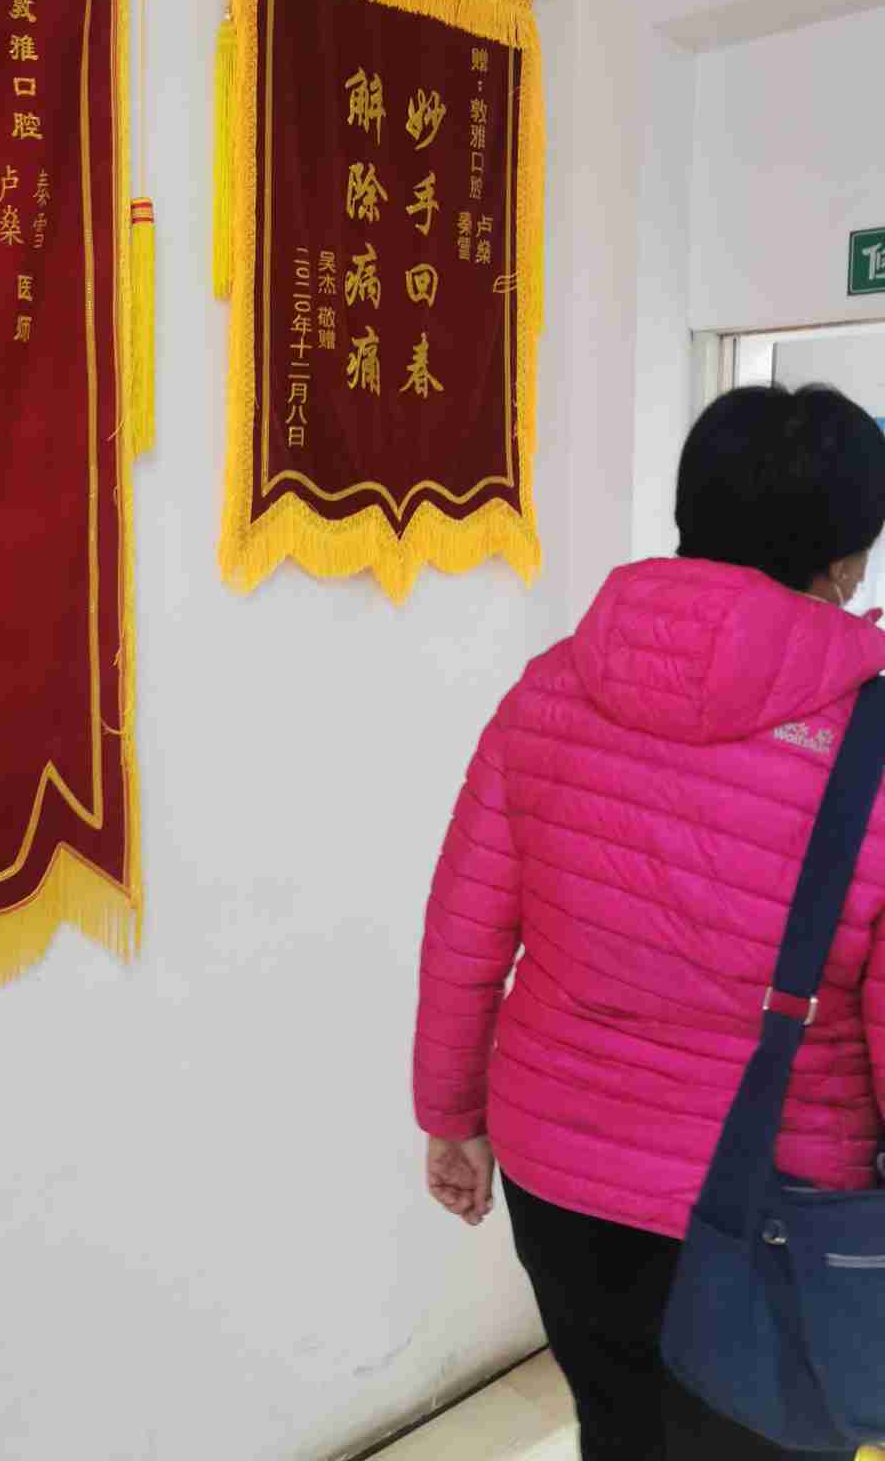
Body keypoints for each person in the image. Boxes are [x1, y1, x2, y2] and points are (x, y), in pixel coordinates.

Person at [412, 384, 885, 1461]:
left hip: (562, 1177)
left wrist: (452, 1115)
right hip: (779, 1206)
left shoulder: (549, 691)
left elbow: (464, 933)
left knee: (617, 1428)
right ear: (845, 559)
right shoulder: (871, 743)